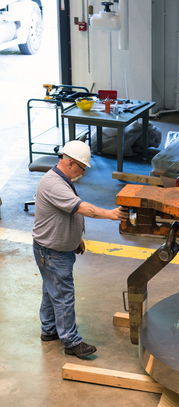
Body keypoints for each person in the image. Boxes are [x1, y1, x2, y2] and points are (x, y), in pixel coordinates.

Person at [32, 140, 129, 358]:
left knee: (51, 290)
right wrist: (111, 214)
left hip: (54, 249)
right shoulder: (54, 184)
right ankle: (71, 342)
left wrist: (76, 239)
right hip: (52, 252)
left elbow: (66, 212)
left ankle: (49, 330)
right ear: (69, 163)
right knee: (64, 295)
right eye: (82, 168)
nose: (83, 173)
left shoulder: (61, 179)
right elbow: (81, 207)